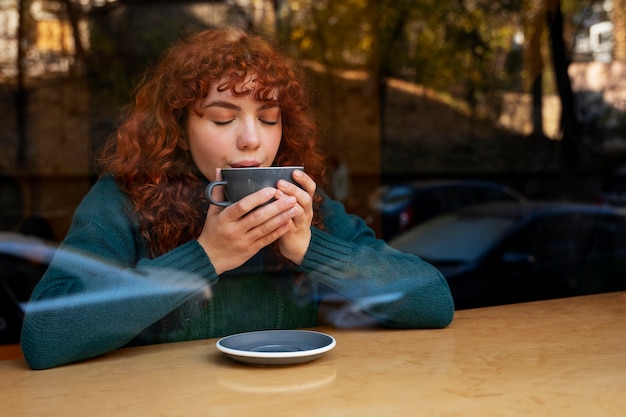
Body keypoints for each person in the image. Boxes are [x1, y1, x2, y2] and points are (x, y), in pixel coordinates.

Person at [20, 27, 454, 370]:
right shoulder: (123, 198)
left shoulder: (302, 201)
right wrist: (205, 256)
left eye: (268, 119)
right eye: (223, 118)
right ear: (179, 126)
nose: (251, 140)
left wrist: (309, 247)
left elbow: (433, 302)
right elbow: (45, 336)